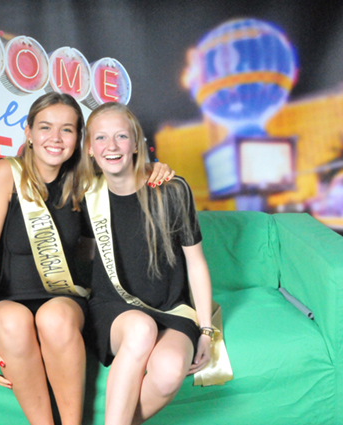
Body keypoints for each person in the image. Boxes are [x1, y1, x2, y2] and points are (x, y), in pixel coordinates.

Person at [0, 92, 173, 425]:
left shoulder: (83, 180)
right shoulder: (6, 173)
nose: (55, 138)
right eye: (45, 127)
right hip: (9, 297)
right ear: (28, 132)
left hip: (64, 297)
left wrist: (151, 168)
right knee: (10, 322)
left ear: (78, 138)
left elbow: (123, 172)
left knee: (55, 318)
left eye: (67, 129)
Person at [81, 102, 215, 425]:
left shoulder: (171, 190)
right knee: (141, 329)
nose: (111, 146)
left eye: (121, 136)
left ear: (136, 143)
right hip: (113, 309)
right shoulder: (84, 195)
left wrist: (207, 330)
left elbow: (196, 263)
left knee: (169, 372)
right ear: (89, 148)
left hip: (171, 308)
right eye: (101, 138)